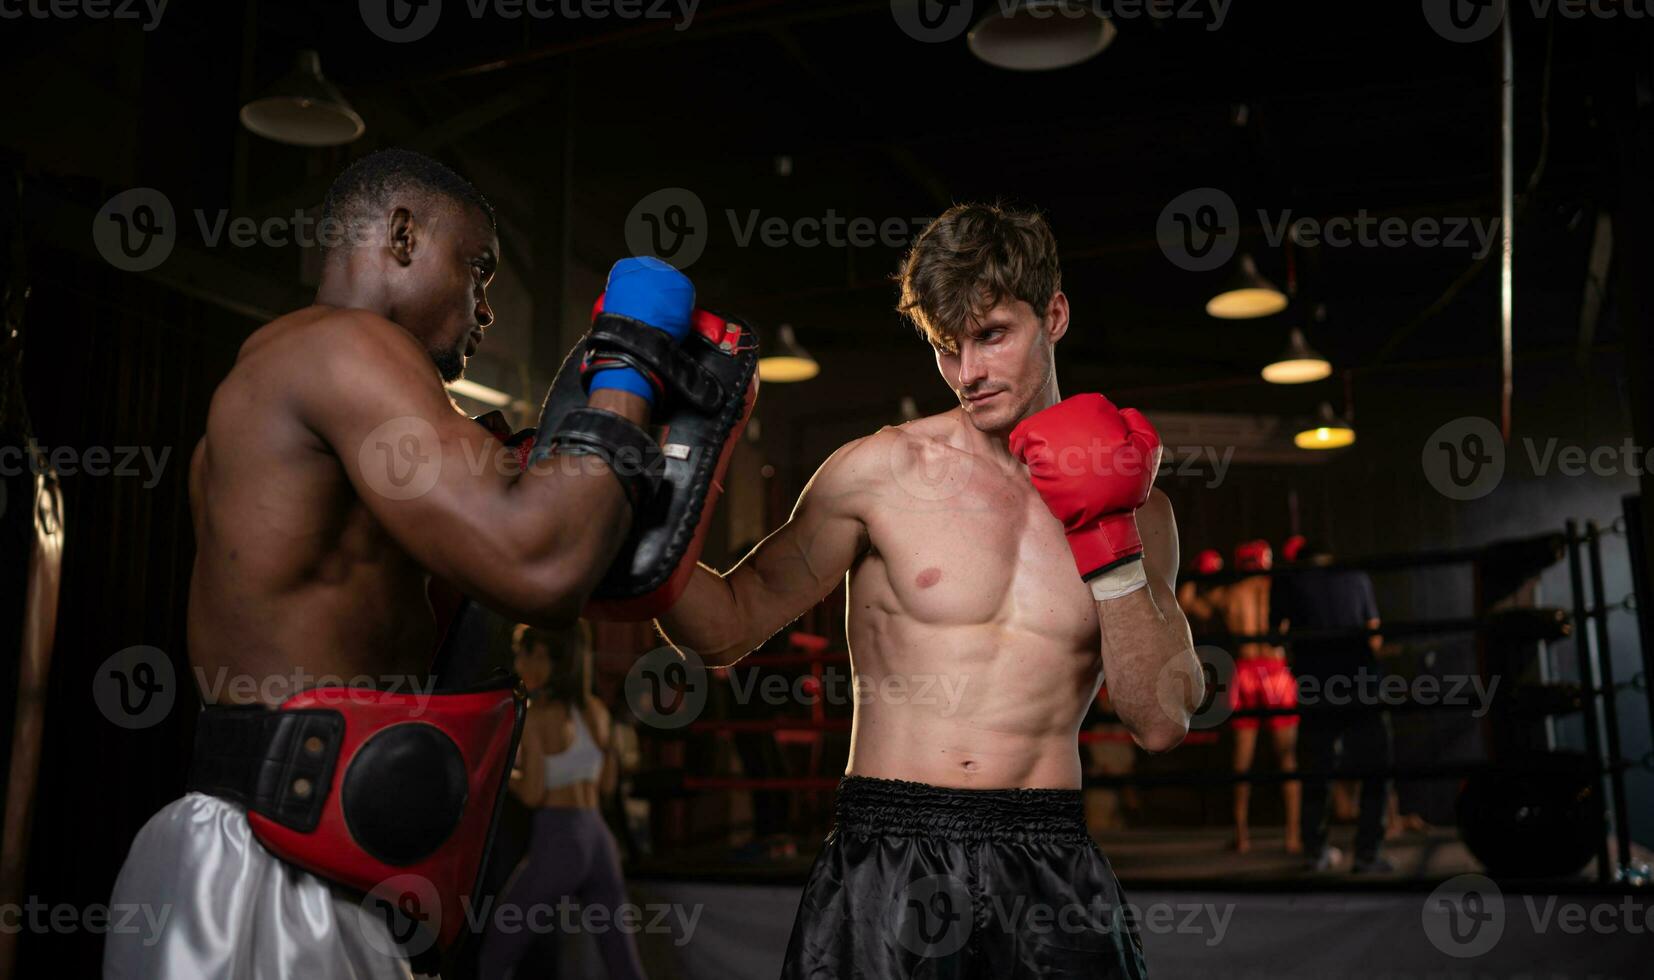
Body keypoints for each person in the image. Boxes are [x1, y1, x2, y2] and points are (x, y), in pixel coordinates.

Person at [104, 148, 706, 978]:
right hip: (275, 871)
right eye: (478, 269)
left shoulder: (300, 376)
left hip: (303, 857)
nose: (487, 307)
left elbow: (544, 552)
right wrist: (630, 366)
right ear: (399, 235)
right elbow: (540, 565)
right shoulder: (347, 347)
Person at [657, 203, 1204, 978]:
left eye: (991, 336)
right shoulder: (877, 473)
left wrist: (1109, 544)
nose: (967, 373)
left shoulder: (1143, 510)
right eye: (946, 347)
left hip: (1048, 859)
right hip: (889, 854)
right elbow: (724, 628)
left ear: (1054, 314)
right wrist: (641, 539)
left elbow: (1161, 721)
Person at [479, 623, 644, 979]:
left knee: (495, 952)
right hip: (599, 839)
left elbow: (535, 793)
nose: (517, 664)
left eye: (521, 654)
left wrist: (497, 775)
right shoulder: (596, 711)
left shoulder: (537, 717)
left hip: (560, 837)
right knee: (624, 965)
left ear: (541, 657)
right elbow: (607, 785)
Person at [1273, 538, 1393, 873]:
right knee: (1375, 769)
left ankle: (1316, 851)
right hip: (1361, 681)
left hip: (1317, 684)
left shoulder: (1289, 581)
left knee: (1317, 771)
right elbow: (1374, 634)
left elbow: (1275, 636)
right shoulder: (1356, 577)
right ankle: (1368, 854)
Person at [1219, 540, 1300, 854]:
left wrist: (1204, 571)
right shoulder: (1278, 590)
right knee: (1288, 759)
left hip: (1246, 672)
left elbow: (1192, 604)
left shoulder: (1231, 594)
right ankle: (1293, 837)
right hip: (1276, 672)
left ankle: (1242, 837)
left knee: (1242, 761)